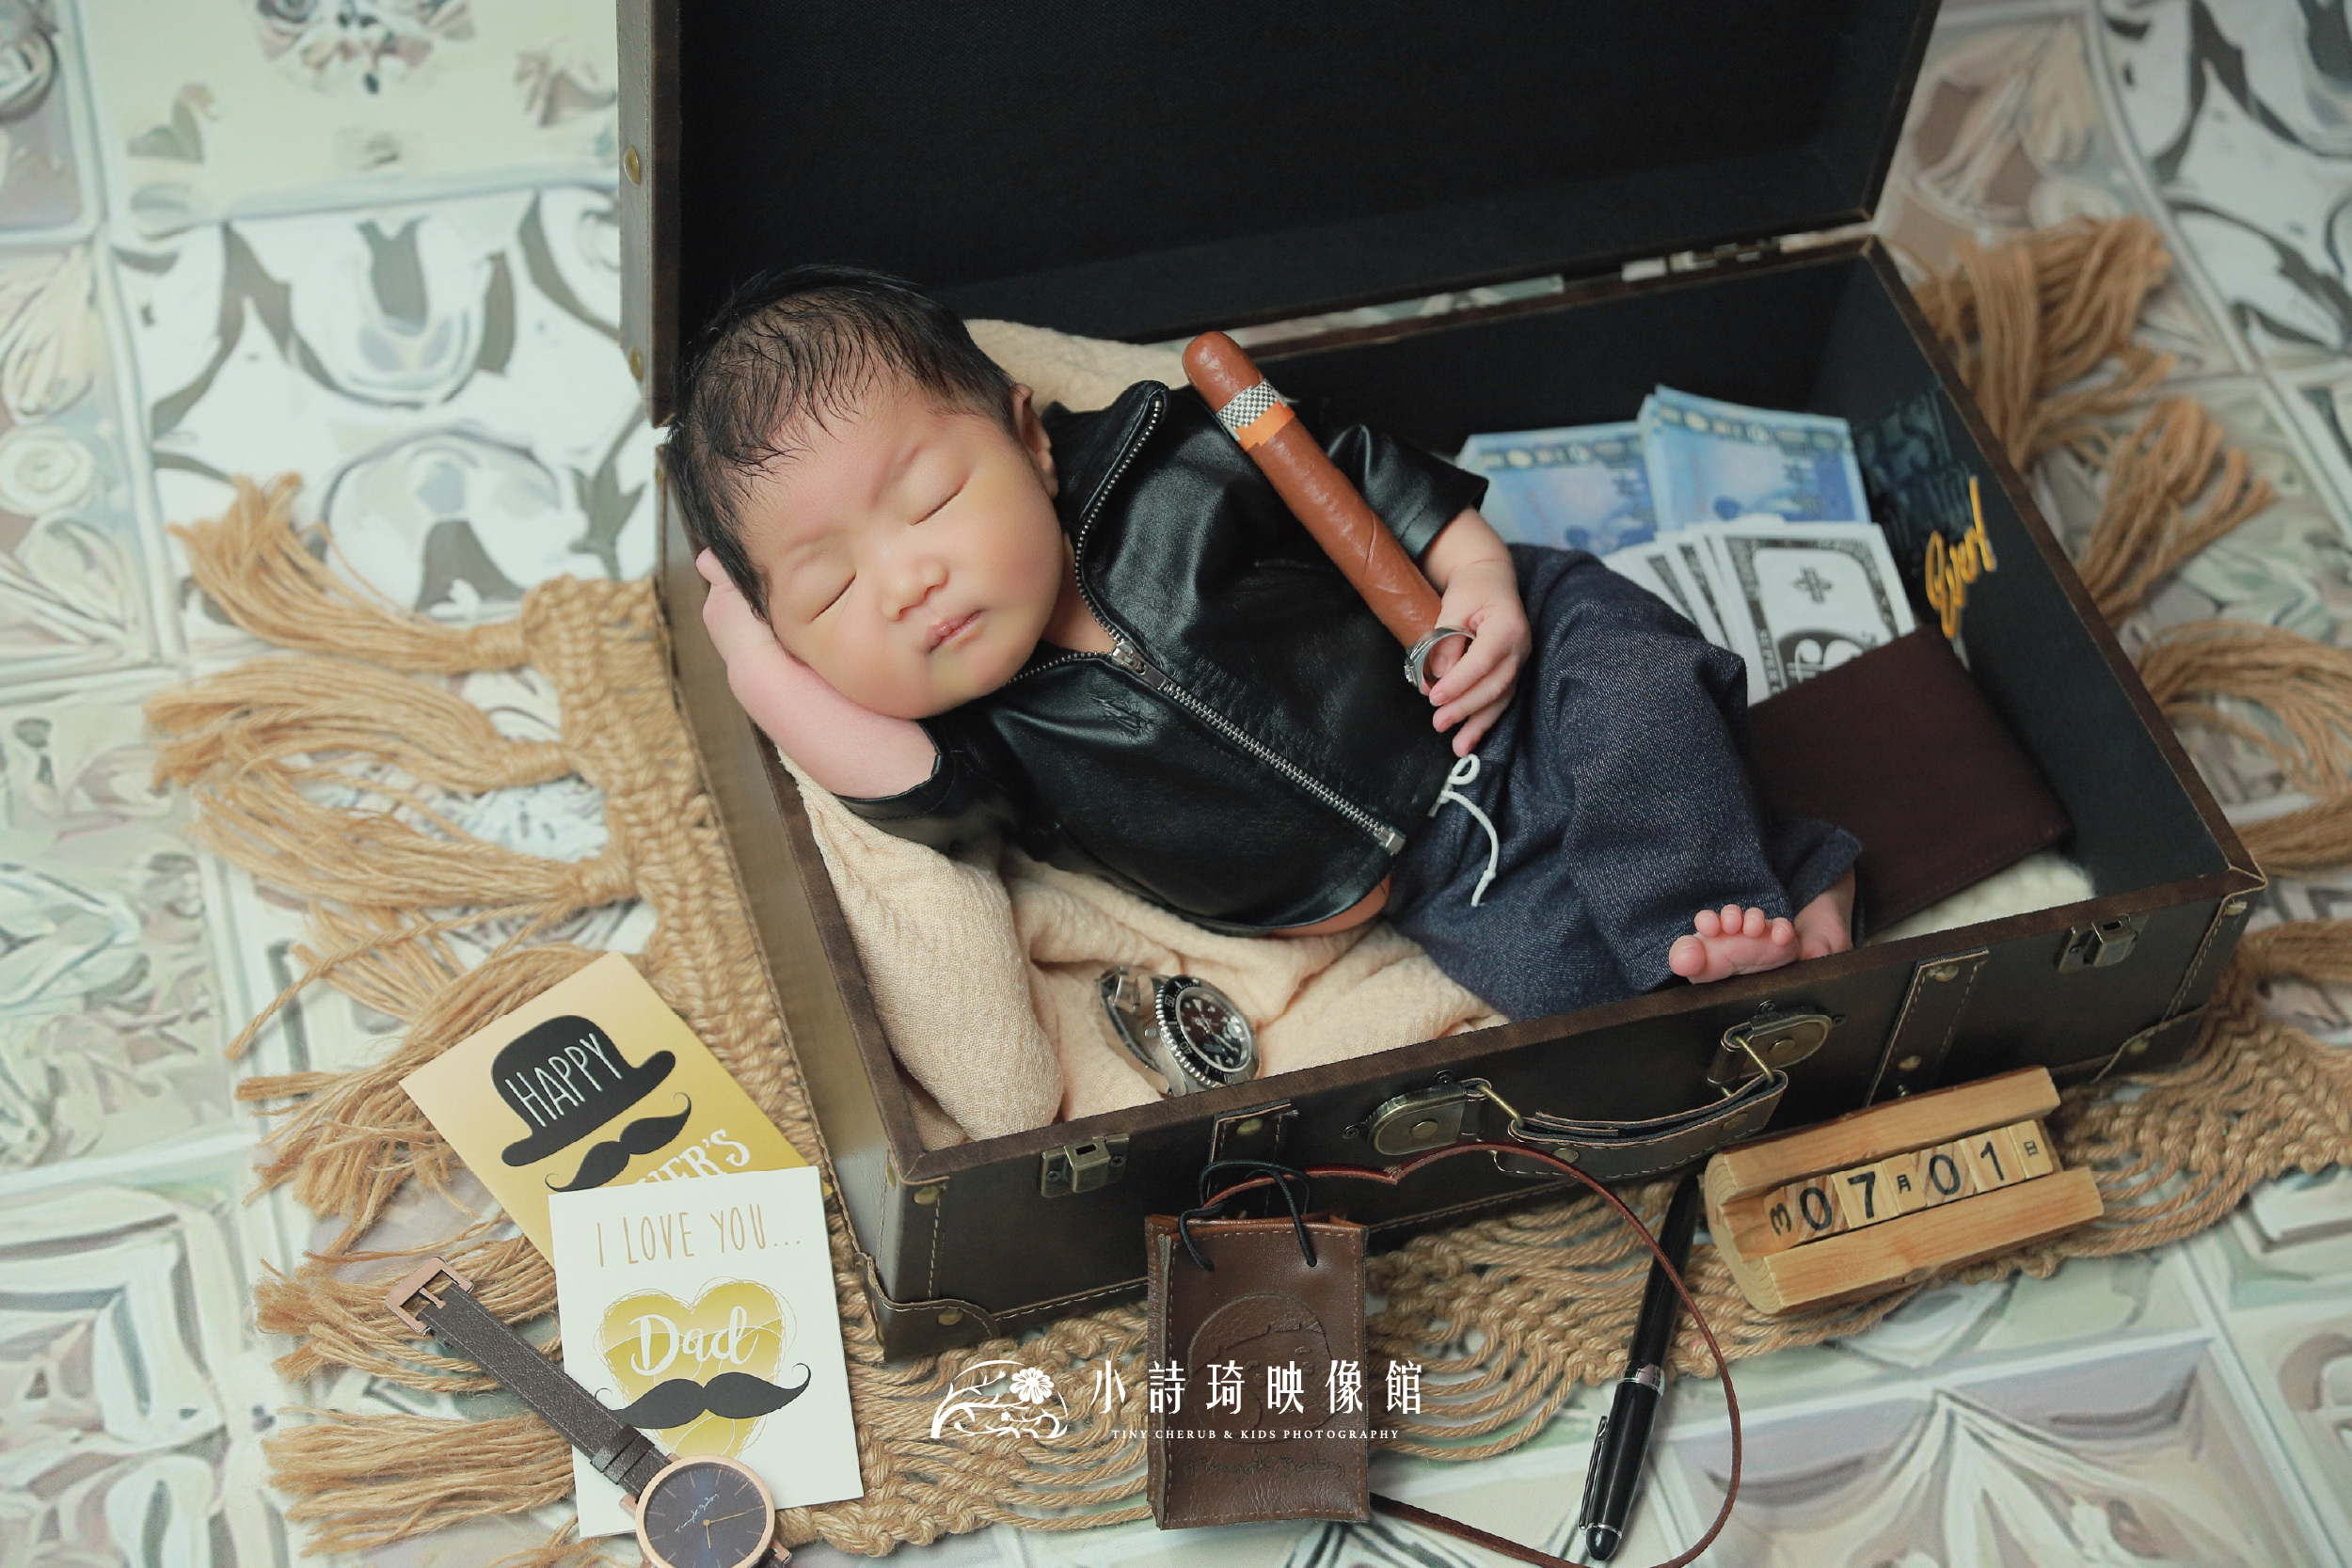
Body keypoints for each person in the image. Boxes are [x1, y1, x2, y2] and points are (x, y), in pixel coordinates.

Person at [671, 265, 1859, 1022]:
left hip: (1507, 669)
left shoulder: (1160, 464)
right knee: (1557, 983)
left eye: (930, 500)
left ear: (1027, 439)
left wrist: (1481, 582)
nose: (906, 581)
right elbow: (897, 779)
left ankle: (1716, 902)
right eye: (829, 590)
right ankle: (1784, 896)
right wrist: (751, 658)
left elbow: (1348, 471)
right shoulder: (987, 747)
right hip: (1445, 870)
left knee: (1641, 705)